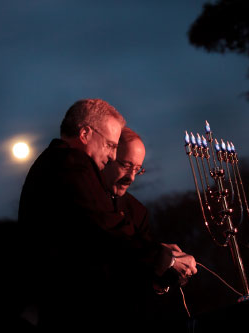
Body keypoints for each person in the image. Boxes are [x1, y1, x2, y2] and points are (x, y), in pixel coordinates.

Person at [17, 99, 191, 332]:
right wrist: (163, 257)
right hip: (70, 316)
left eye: (137, 169)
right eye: (110, 145)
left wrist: (158, 257)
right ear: (85, 133)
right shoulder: (71, 163)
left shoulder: (58, 163)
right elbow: (103, 229)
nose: (110, 155)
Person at [101, 127, 198, 328]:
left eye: (137, 169)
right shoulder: (91, 203)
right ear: (107, 157)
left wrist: (165, 272)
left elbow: (143, 279)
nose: (132, 177)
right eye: (126, 165)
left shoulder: (137, 210)